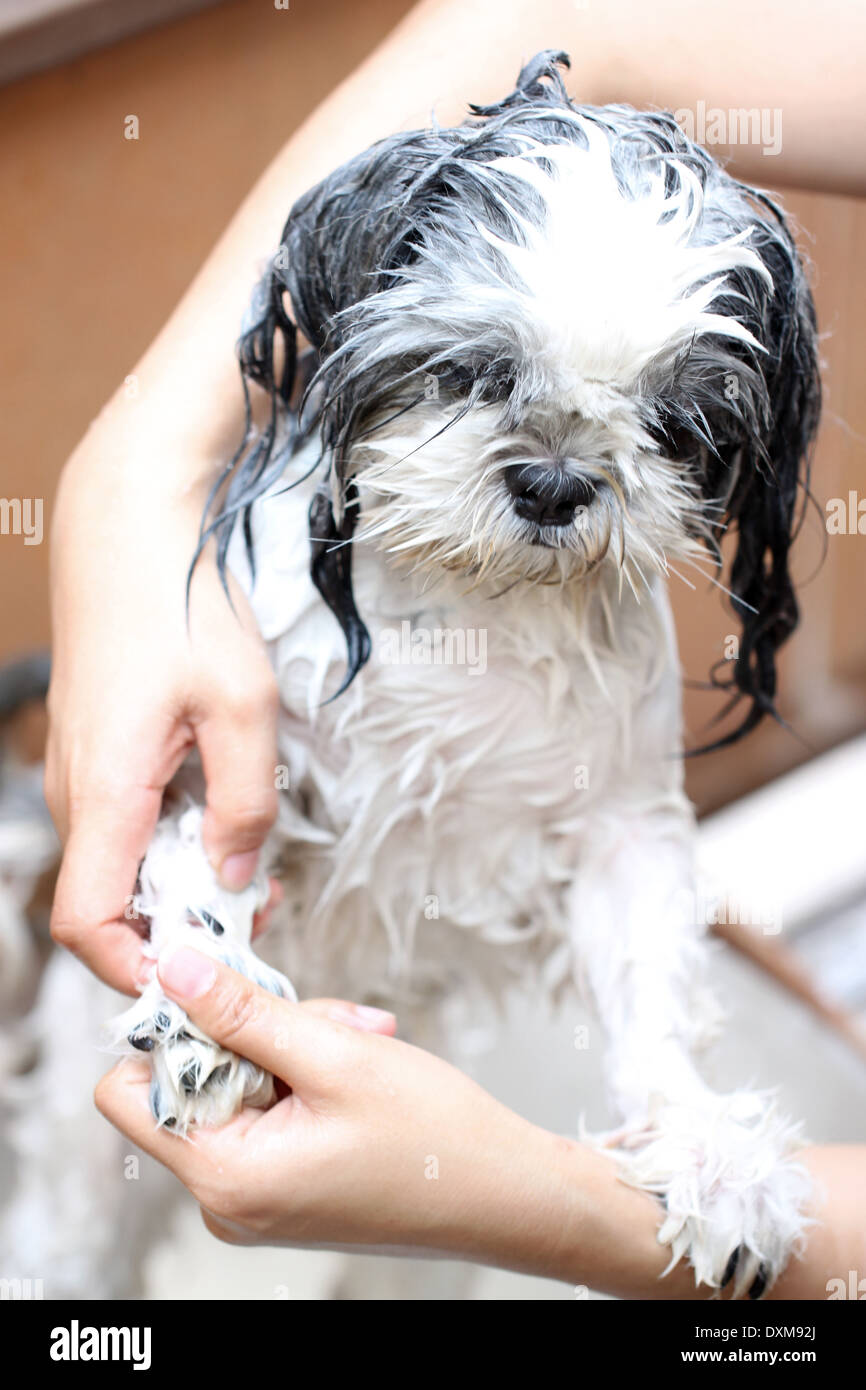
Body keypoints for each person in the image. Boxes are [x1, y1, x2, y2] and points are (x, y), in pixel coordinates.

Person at [48, 0, 866, 1298]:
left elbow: (622, 829)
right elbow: (544, 10)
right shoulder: (270, 558)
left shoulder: (613, 652)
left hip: (428, 1005)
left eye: (655, 425)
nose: (553, 481)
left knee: (407, 1248)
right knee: (78, 1210)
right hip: (188, 952)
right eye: (478, 377)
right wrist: (131, 480)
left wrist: (662, 1108)